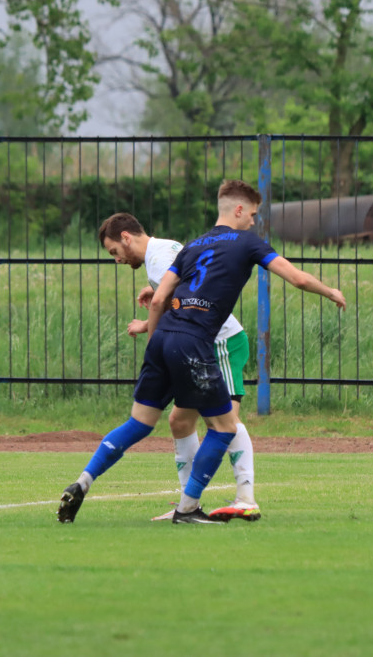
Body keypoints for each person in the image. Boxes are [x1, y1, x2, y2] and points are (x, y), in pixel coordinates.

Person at [58, 179, 345, 524]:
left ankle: (87, 482)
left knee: (156, 421)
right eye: (253, 214)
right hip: (199, 341)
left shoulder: (192, 245)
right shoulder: (246, 242)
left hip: (181, 340)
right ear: (239, 210)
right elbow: (296, 278)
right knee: (222, 424)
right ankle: (203, 505)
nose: (254, 221)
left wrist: (152, 343)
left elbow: (164, 299)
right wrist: (330, 291)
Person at [98, 213, 260, 522]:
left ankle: (246, 498)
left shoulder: (158, 260)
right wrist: (155, 306)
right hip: (198, 342)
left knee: (226, 421)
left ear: (126, 238)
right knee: (179, 422)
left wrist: (151, 328)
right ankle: (187, 506)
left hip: (221, 341)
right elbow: (187, 293)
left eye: (114, 251)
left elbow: (187, 298)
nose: (116, 259)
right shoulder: (165, 248)